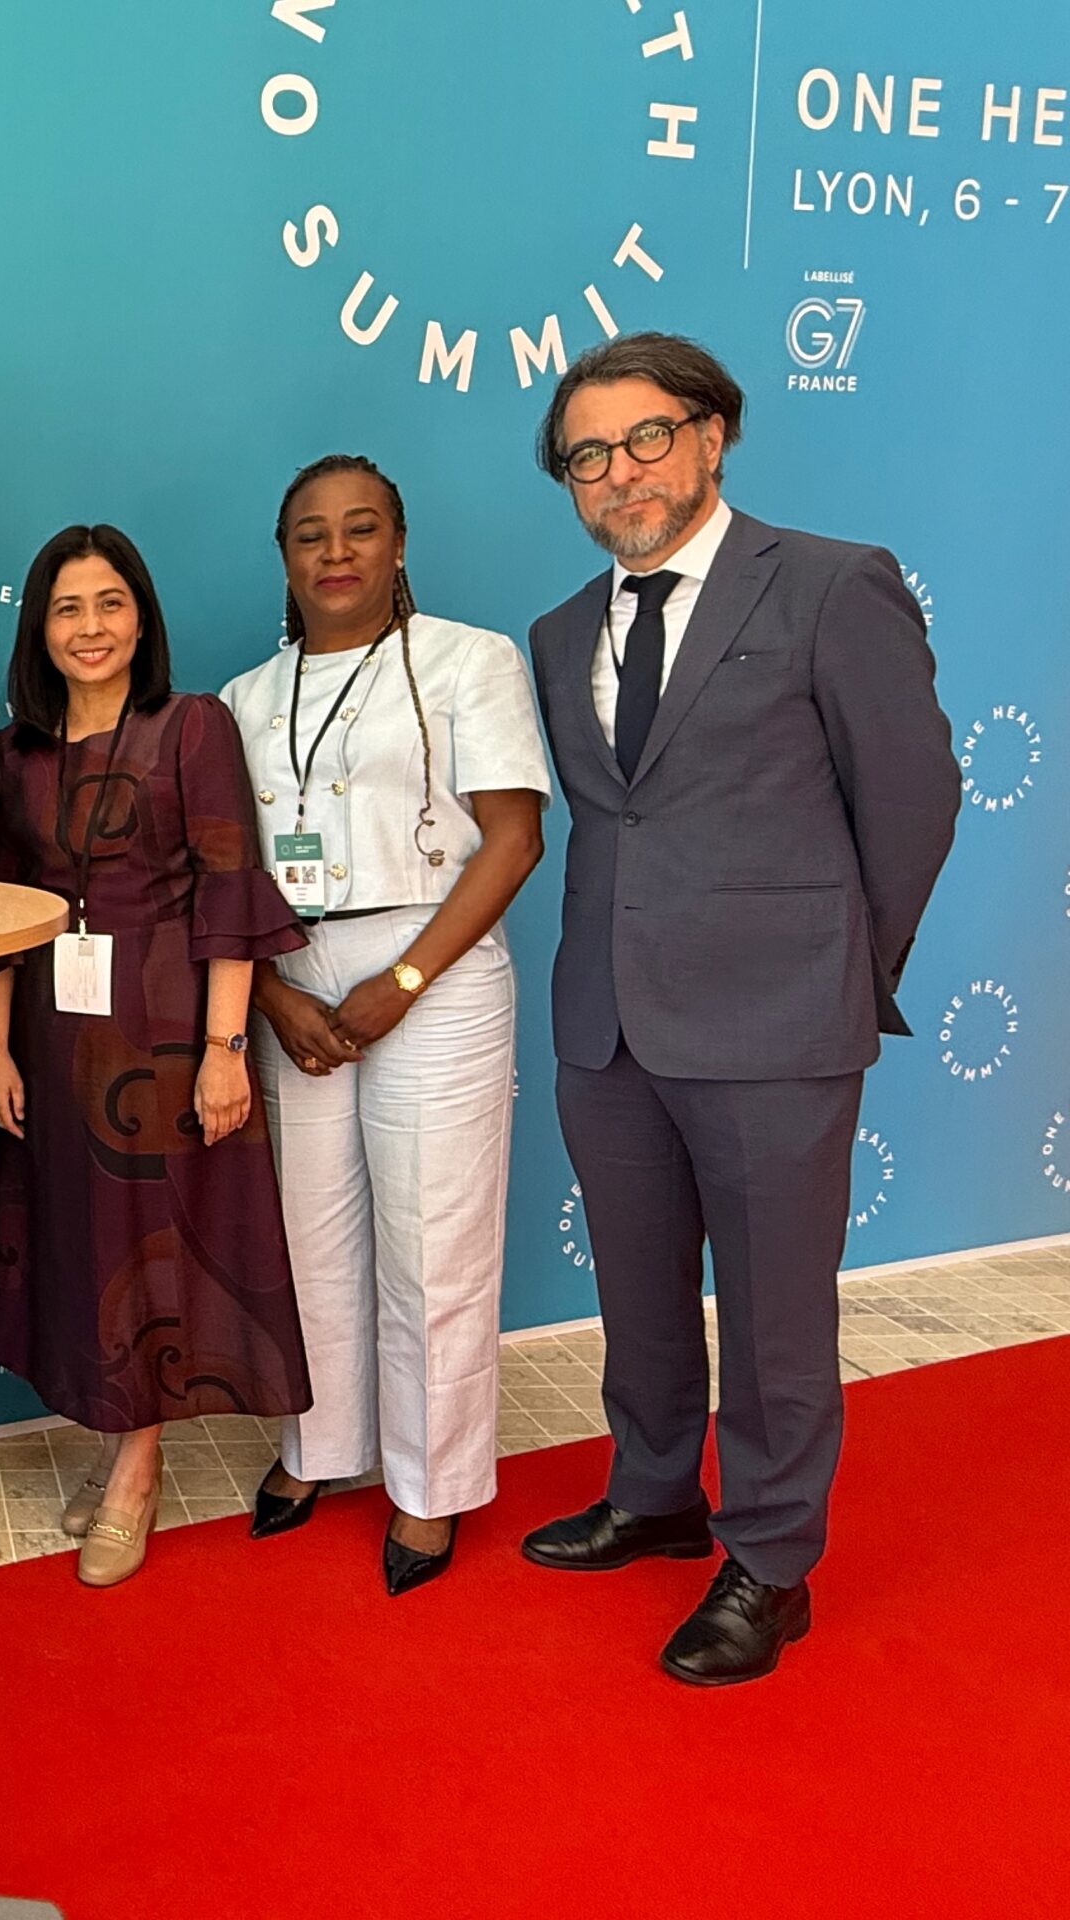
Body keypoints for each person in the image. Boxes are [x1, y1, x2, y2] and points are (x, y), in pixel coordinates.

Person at [521, 333, 958, 1683]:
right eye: (586, 457)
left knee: (773, 1317)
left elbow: (912, 799)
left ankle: (770, 1560)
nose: (619, 473)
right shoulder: (559, 633)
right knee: (639, 1288)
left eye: (646, 437)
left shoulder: (831, 583)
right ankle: (655, 1493)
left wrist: (836, 971)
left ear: (713, 435)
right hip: (607, 1025)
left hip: (779, 1025)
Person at [221, 456, 550, 1596]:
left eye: (361, 529)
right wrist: (275, 995)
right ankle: (320, 1446)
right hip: (293, 970)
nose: (335, 552)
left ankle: (430, 1483)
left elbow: (513, 838)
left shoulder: (469, 659)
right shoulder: (243, 699)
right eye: (309, 534)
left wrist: (401, 981)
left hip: (434, 966)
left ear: (399, 543)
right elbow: (225, 874)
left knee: (432, 1243)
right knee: (309, 1240)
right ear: (283, 556)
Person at [0, 525, 310, 1586]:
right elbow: (3, 909)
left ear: (141, 616)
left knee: (150, 1242)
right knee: (80, 1243)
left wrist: (225, 1047)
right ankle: (114, 1427)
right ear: (39, 628)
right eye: (68, 608)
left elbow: (228, 886)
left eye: (110, 603)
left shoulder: (189, 726)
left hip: (165, 1029)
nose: (91, 627)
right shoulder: (13, 755)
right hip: (52, 1032)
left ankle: (138, 1466)